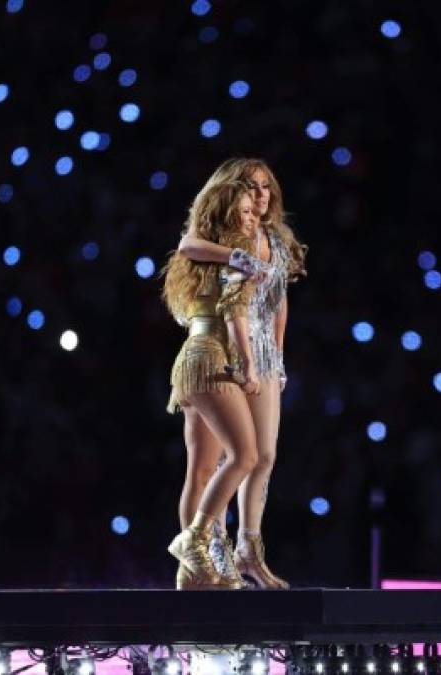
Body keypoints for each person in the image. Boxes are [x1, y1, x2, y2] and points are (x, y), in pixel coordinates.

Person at [175, 158, 307, 588]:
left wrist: (279, 357)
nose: (260, 195)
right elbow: (188, 248)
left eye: (267, 187)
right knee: (216, 461)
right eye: (251, 187)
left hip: (263, 352)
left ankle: (248, 549)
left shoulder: (274, 239)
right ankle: (206, 552)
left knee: (261, 456)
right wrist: (235, 253)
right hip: (225, 350)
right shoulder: (225, 234)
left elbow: (280, 304)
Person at [161, 180, 266, 589]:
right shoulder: (236, 257)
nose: (252, 216)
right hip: (213, 358)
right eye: (244, 210)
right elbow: (235, 314)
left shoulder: (201, 255)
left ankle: (195, 574)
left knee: (201, 469)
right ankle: (195, 541)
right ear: (226, 213)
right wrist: (248, 366)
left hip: (191, 355)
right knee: (246, 456)